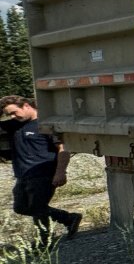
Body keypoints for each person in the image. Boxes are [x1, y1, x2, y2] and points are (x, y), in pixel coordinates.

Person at [1, 95, 81, 244]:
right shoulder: (14, 125)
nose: (12, 116)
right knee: (21, 207)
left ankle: (44, 243)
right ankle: (69, 218)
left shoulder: (46, 125)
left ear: (26, 105)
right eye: (8, 114)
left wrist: (60, 172)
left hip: (43, 173)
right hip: (23, 175)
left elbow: (63, 149)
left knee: (37, 207)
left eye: (13, 112)